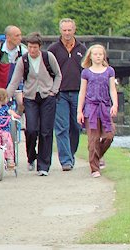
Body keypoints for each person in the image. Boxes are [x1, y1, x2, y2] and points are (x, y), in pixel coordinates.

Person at [7, 32, 61, 176]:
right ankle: (31, 157)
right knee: (31, 129)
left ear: (40, 47)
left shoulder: (48, 57)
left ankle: (44, 165)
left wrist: (54, 91)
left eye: (35, 47)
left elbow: (58, 75)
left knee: (46, 131)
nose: (32, 50)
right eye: (30, 47)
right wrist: (5, 98)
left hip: (47, 97)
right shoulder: (23, 60)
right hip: (30, 97)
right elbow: (14, 81)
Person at [48, 18, 87, 172]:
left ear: (74, 30)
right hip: (60, 94)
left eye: (69, 30)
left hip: (78, 92)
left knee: (76, 127)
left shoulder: (82, 49)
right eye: (64, 30)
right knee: (61, 127)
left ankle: (70, 154)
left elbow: (87, 71)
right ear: (60, 31)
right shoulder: (53, 49)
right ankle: (65, 160)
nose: (67, 33)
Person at [77, 44, 118, 178]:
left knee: (109, 135)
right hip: (91, 108)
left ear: (104, 56)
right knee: (93, 139)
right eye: (95, 54)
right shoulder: (86, 72)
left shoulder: (109, 71)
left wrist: (115, 104)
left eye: (100, 54)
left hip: (105, 107)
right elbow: (82, 92)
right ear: (90, 56)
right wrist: (79, 111)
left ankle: (97, 156)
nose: (98, 56)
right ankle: (94, 168)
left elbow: (112, 89)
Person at [0, 25, 26, 90]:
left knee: (20, 100)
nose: (20, 38)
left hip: (18, 88)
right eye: (17, 36)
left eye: (20, 35)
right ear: (8, 37)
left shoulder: (24, 50)